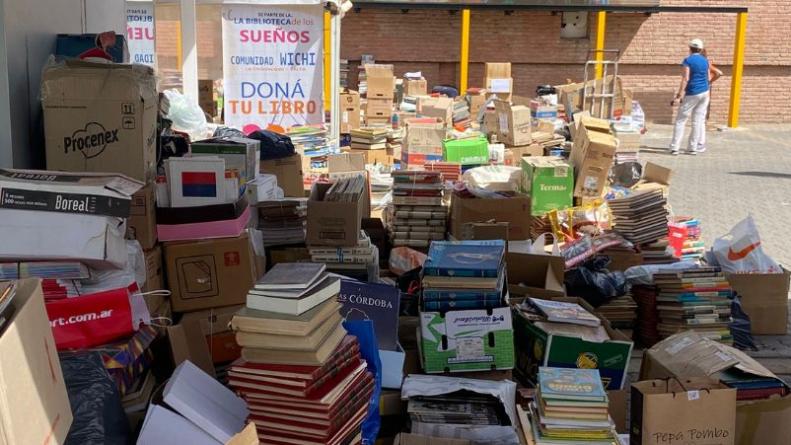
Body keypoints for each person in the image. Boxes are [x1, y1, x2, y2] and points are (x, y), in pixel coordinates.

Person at [669, 38, 711, 155]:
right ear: (701, 49)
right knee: (697, 121)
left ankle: (674, 147)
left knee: (681, 120)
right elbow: (708, 78)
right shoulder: (706, 61)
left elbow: (685, 78)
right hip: (705, 93)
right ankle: (692, 148)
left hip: (692, 92)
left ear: (690, 48)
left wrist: (679, 95)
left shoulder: (688, 60)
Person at [697, 48, 723, 152]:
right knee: (701, 118)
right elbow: (719, 73)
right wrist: (710, 81)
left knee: (699, 119)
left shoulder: (704, 63)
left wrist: (709, 81)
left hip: (699, 90)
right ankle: (700, 142)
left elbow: (719, 72)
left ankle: (700, 143)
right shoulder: (706, 63)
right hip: (705, 91)